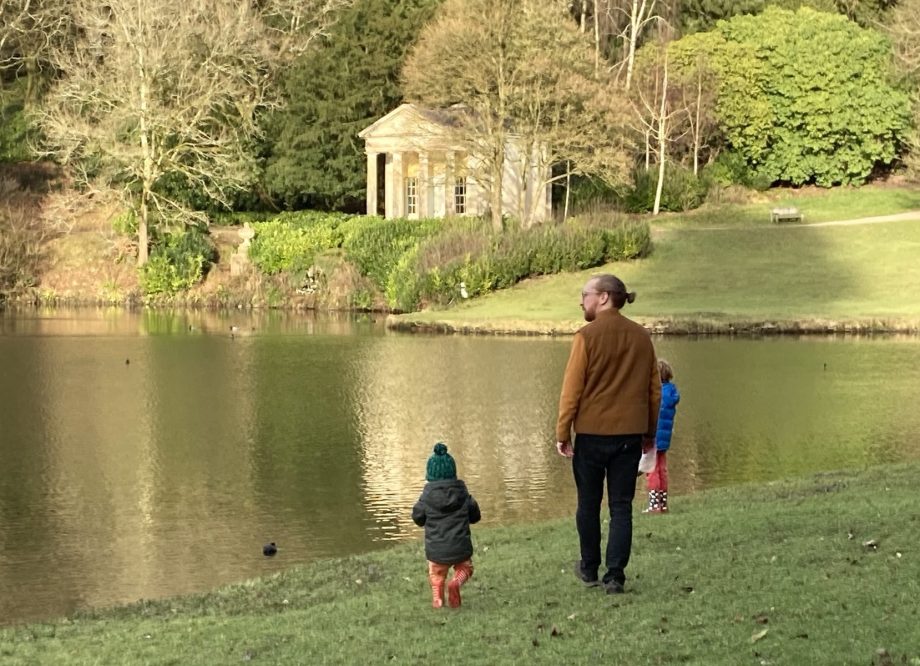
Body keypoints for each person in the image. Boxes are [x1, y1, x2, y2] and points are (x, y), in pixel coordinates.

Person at [556, 274, 661, 594]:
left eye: (585, 294)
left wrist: (563, 431)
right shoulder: (642, 337)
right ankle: (615, 574)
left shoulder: (586, 336)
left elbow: (571, 390)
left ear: (603, 297)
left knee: (588, 504)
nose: (581, 301)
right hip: (629, 435)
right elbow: (653, 391)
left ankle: (589, 567)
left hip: (590, 433)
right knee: (621, 506)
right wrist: (649, 432)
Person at [411, 442, 481, 609]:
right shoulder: (462, 493)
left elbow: (417, 517)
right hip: (460, 548)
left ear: (430, 474)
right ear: (453, 472)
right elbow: (475, 515)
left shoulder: (426, 497)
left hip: (436, 551)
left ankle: (438, 598)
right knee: (465, 568)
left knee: (436, 574)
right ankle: (456, 582)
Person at [645, 359, 680, 514]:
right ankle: (663, 504)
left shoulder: (656, 394)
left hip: (653, 437)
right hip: (665, 438)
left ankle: (654, 506)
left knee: (652, 470)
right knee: (662, 469)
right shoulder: (671, 392)